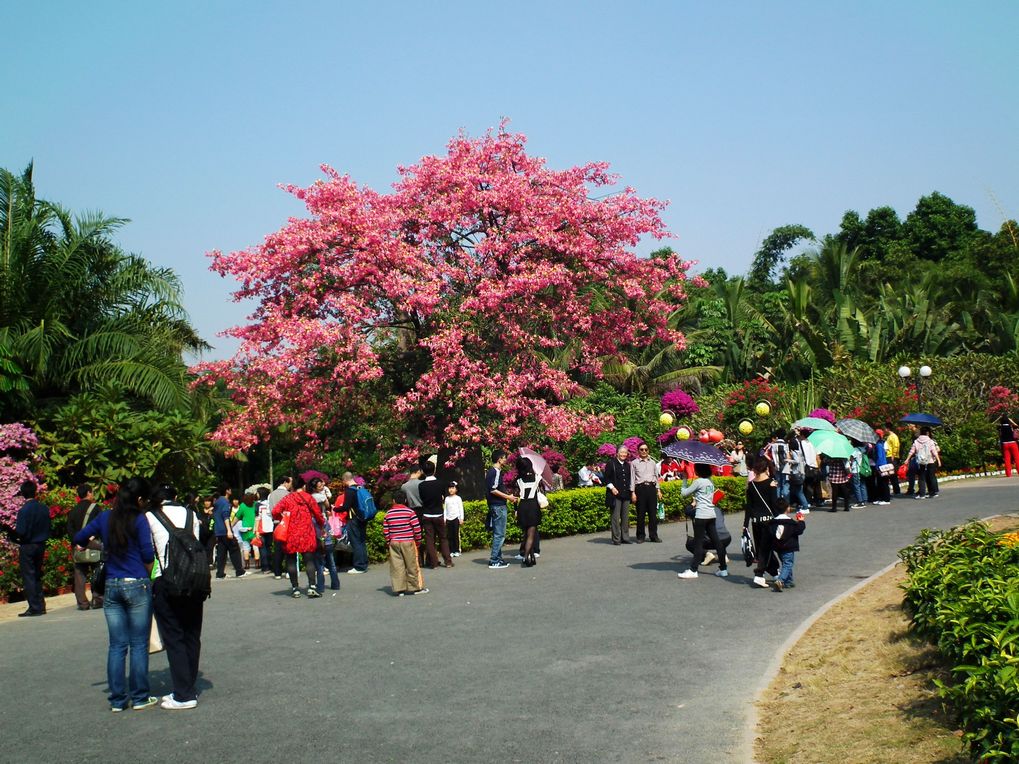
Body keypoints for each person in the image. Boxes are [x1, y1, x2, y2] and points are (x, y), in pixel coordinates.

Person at [73, 477, 157, 711]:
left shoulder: (104, 517)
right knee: (139, 644)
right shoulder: (139, 519)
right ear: (139, 499)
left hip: (112, 584)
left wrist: (100, 548)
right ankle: (140, 697)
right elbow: (148, 555)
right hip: (136, 582)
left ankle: (118, 700)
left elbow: (79, 538)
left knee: (117, 645)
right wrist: (149, 578)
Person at [147, 484, 206, 710]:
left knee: (174, 636)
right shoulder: (191, 514)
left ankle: (183, 694)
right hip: (195, 580)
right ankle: (188, 686)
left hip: (167, 580)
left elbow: (149, 551)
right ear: (175, 496)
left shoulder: (150, 517)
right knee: (192, 634)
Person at [272, 476, 326, 598]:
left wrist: (284, 517)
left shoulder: (287, 498)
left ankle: (295, 588)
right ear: (303, 486)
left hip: (291, 534)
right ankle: (312, 587)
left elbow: (275, 511)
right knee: (309, 560)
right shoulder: (309, 498)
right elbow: (318, 515)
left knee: (291, 560)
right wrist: (322, 525)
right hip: (307, 533)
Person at [677, 464, 727, 579]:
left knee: (698, 543)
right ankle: (723, 568)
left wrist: (684, 479)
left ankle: (693, 570)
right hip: (711, 514)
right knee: (717, 541)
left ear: (698, 470)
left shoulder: (699, 482)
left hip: (701, 515)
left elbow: (684, 493)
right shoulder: (710, 481)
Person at [14, 480, 51, 617]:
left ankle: (34, 607)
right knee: (37, 574)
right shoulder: (43, 508)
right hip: (41, 543)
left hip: (28, 545)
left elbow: (21, 531)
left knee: (28, 576)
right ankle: (40, 605)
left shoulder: (24, 511)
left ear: (23, 494)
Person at [382, 490, 426, 596]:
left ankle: (399, 589)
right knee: (411, 565)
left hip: (394, 542)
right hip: (408, 541)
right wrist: (418, 541)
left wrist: (388, 541)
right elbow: (417, 528)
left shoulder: (388, 514)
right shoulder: (410, 512)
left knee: (397, 566)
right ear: (405, 500)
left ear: (393, 501)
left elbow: (386, 530)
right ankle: (414, 587)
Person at [67, 484, 104, 611]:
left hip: (78, 547)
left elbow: (70, 530)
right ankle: (97, 599)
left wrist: (78, 543)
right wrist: (90, 539)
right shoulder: (96, 508)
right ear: (89, 493)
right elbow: (101, 526)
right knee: (97, 572)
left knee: (79, 575)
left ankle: (82, 603)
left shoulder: (72, 511)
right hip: (93, 545)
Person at [743, 458, 778, 588]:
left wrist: (745, 524)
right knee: (765, 549)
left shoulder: (751, 485)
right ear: (766, 468)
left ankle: (775, 572)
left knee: (763, 548)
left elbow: (749, 507)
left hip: (755, 522)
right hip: (768, 521)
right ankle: (759, 574)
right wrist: (781, 517)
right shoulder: (771, 483)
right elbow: (774, 504)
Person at [418, 461, 453, 569]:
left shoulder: (421, 485)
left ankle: (433, 563)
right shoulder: (440, 483)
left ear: (423, 471)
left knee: (430, 539)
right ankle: (448, 561)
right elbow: (443, 496)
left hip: (427, 514)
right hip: (438, 513)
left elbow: (422, 499)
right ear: (434, 470)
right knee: (443, 538)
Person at [766, 499, 806, 592]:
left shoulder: (772, 523)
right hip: (789, 546)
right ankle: (781, 580)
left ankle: (788, 581)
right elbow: (799, 530)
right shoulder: (791, 523)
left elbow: (770, 533)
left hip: (777, 546)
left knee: (785, 563)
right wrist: (801, 521)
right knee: (788, 563)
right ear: (788, 509)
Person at [486, 450, 514, 569]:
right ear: (499, 459)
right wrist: (508, 497)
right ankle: (494, 560)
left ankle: (498, 558)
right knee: (499, 534)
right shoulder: (495, 472)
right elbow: (493, 489)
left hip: (495, 505)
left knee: (498, 533)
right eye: (504, 458)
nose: (505, 460)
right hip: (498, 505)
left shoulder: (492, 471)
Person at [631, 443, 662, 543]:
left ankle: (653, 535)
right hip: (640, 489)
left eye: (646, 449)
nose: (644, 451)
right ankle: (640, 536)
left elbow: (656, 477)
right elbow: (632, 479)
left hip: (651, 489)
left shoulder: (652, 463)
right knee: (641, 514)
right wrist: (633, 493)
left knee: (653, 514)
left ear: (648, 451)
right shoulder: (634, 463)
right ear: (638, 451)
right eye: (641, 449)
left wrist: (658, 490)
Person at [514, 457, 543, 567]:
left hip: (523, 507)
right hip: (533, 506)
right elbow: (542, 492)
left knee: (525, 533)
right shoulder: (537, 478)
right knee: (531, 533)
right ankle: (526, 557)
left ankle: (530, 556)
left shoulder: (518, 480)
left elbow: (516, 497)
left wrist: (515, 510)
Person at [603, 445, 634, 545]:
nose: (624, 454)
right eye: (622, 452)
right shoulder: (611, 463)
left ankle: (625, 537)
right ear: (617, 453)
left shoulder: (627, 465)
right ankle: (616, 538)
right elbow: (606, 478)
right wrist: (612, 487)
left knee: (625, 518)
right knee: (615, 518)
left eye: (625, 452)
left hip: (626, 494)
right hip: (615, 494)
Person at [212, 485, 245, 579]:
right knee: (234, 549)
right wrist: (229, 530)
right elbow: (225, 516)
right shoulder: (225, 502)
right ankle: (239, 571)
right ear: (227, 491)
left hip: (218, 530)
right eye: (230, 489)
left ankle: (220, 573)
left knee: (222, 552)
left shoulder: (217, 501)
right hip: (225, 529)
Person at [342, 472, 370, 574]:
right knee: (362, 541)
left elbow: (346, 507)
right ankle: (364, 563)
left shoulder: (349, 491)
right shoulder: (360, 488)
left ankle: (359, 566)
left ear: (345, 480)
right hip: (363, 518)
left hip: (353, 519)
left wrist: (335, 509)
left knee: (355, 542)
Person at [265, 477, 292, 577]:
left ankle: (277, 573)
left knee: (278, 549)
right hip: (287, 523)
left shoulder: (271, 495)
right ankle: (289, 571)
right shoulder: (288, 495)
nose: (290, 485)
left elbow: (268, 512)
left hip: (276, 524)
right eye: (290, 483)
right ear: (285, 483)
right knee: (288, 548)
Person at [906, 426, 941, 499]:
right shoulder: (930, 441)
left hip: (921, 462)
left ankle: (922, 494)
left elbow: (912, 451)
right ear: (926, 433)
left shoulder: (916, 441)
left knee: (921, 477)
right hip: (930, 461)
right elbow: (934, 451)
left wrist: (907, 459)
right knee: (931, 476)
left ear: (920, 432)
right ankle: (932, 493)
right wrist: (938, 460)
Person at [233, 492, 258, 569]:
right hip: (254, 528)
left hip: (245, 529)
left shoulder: (242, 506)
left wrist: (231, 525)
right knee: (256, 546)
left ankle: (247, 565)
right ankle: (257, 564)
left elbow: (237, 517)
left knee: (246, 547)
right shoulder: (255, 504)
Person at [786, 435, 810, 514]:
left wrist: (788, 460)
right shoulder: (800, 452)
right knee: (799, 491)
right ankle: (803, 505)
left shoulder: (794, 452)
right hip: (802, 473)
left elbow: (796, 461)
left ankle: (805, 506)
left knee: (799, 491)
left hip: (796, 474)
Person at [765, 431, 790, 501]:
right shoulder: (785, 444)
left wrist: (772, 461)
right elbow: (787, 456)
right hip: (785, 467)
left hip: (776, 467)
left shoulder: (772, 445)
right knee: (785, 484)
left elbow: (764, 453)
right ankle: (785, 502)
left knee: (778, 485)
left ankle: (777, 502)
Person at [255, 486, 274, 573]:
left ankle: (265, 567)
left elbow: (257, 518)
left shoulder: (258, 504)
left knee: (262, 548)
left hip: (262, 528)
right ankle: (271, 565)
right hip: (270, 527)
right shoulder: (270, 503)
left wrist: (256, 530)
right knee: (269, 547)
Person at [444, 482, 464, 557]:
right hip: (449, 518)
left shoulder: (458, 498)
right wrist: (444, 518)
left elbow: (461, 508)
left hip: (456, 518)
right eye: (449, 488)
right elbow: (445, 509)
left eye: (452, 488)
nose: (451, 490)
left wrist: (461, 518)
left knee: (456, 535)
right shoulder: (447, 498)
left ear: (456, 489)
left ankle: (457, 550)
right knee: (450, 535)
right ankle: (451, 550)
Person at [883, 425, 901, 495]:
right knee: (891, 474)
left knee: (893, 474)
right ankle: (895, 490)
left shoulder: (894, 436)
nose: (884, 430)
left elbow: (896, 446)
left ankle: (897, 491)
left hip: (892, 456)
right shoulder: (889, 436)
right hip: (888, 456)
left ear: (888, 428)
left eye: (885, 428)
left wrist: (893, 455)